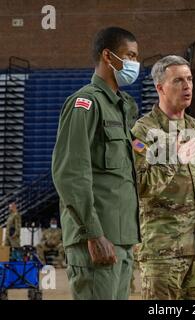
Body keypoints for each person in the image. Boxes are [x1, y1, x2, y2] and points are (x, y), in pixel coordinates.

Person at [52, 27, 141, 300]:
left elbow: (127, 167)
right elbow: (70, 173)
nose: (136, 64)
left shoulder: (123, 106)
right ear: (108, 56)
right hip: (98, 237)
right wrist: (93, 233)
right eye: (130, 56)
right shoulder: (85, 103)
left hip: (123, 237)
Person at [131, 55, 195, 300]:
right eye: (178, 81)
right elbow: (140, 186)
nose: (187, 86)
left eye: (190, 79)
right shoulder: (142, 131)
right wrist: (175, 157)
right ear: (160, 87)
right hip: (162, 254)